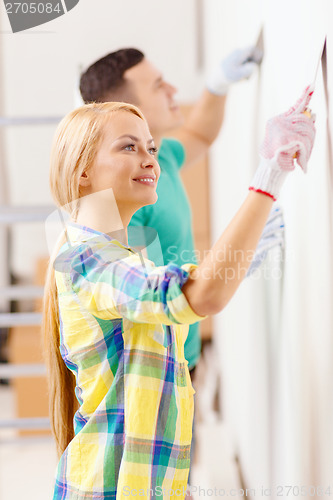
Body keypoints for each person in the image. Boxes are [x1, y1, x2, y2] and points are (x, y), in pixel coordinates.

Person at [43, 87, 315, 499]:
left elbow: (171, 329)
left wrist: (235, 266)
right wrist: (269, 175)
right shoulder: (86, 259)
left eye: (150, 147)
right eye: (129, 147)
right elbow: (199, 296)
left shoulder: (118, 258)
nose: (148, 158)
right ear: (83, 171)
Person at [79, 47, 265, 378]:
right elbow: (173, 298)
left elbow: (200, 134)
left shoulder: (159, 160)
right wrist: (268, 181)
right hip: (156, 370)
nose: (173, 90)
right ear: (129, 109)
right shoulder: (128, 204)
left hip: (184, 357)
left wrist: (218, 85)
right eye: (158, 85)